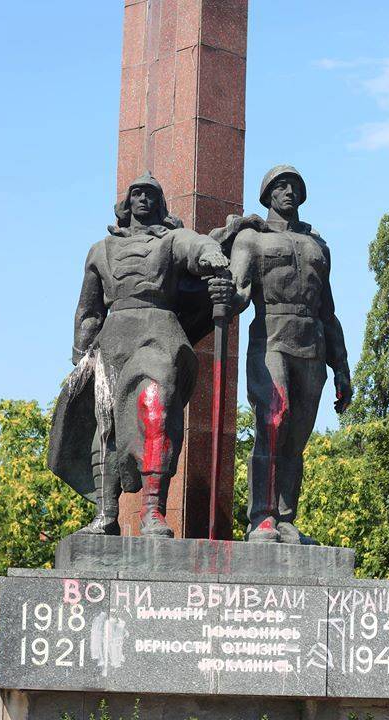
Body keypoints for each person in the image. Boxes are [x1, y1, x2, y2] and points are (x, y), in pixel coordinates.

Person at [49, 171, 229, 538]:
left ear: (160, 204)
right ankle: (106, 513)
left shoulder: (171, 239)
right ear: (126, 203)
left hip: (159, 334)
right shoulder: (100, 249)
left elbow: (195, 247)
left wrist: (212, 255)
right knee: (106, 425)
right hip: (113, 340)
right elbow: (89, 310)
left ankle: (153, 511)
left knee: (155, 409)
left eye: (151, 195)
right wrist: (82, 356)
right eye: (137, 194)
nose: (143, 200)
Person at [209, 165, 352, 543]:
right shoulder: (251, 240)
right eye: (281, 186)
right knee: (274, 420)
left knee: (296, 437)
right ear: (268, 193)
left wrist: (342, 368)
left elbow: (328, 311)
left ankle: (286, 516)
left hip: (313, 344)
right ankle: (262, 517)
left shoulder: (318, 247)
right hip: (270, 337)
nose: (289, 191)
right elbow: (240, 292)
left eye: (295, 187)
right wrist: (226, 298)